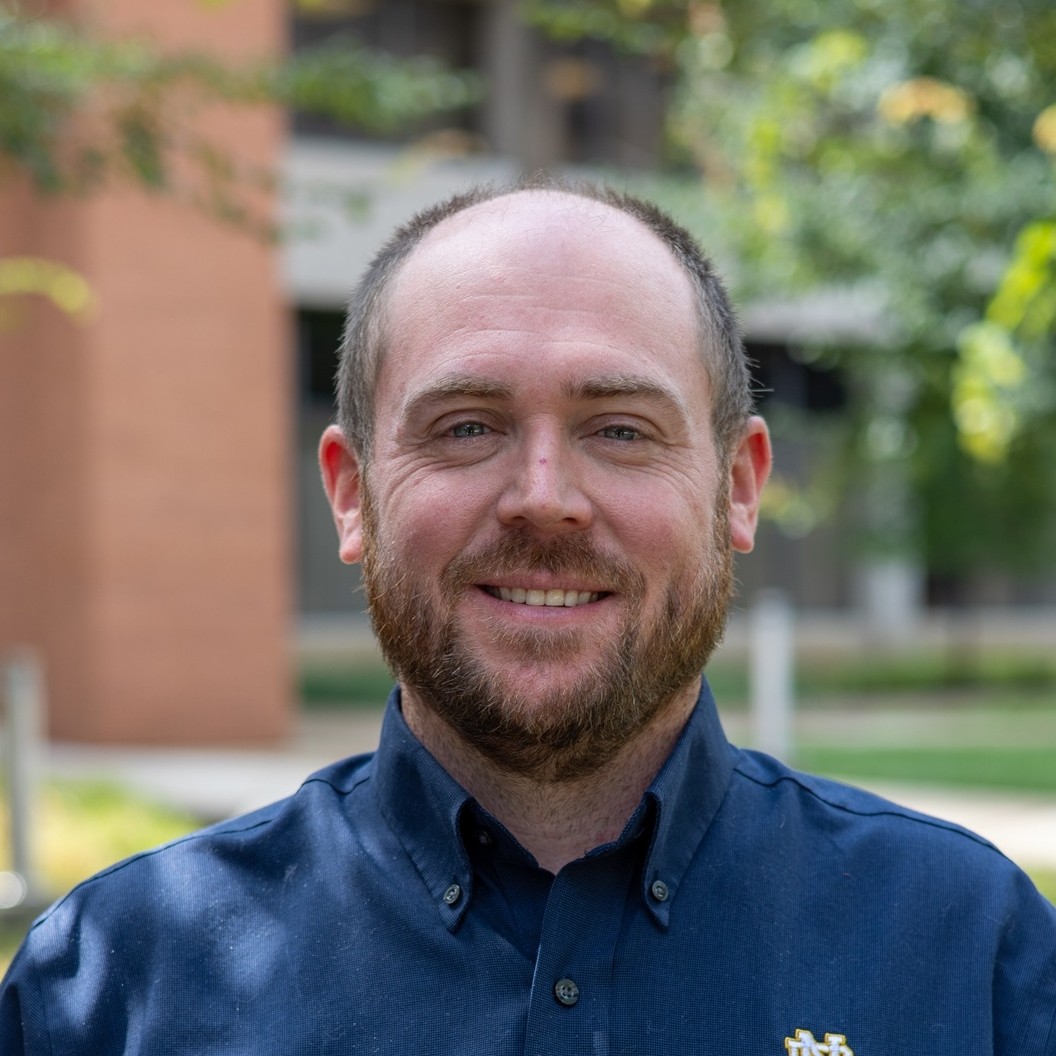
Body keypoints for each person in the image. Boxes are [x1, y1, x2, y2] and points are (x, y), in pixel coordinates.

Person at [2, 179, 1054, 1055]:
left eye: (620, 429)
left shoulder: (971, 951)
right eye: (467, 426)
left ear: (737, 487)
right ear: (353, 494)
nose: (544, 497)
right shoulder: (115, 987)